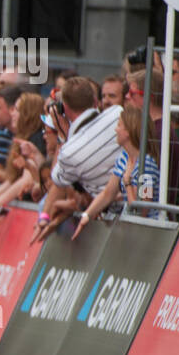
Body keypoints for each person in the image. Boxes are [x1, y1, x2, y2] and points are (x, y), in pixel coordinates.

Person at [32, 77, 122, 243]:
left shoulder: (69, 152)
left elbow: (56, 181)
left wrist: (62, 135)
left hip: (109, 222)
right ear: (96, 101)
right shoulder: (118, 113)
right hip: (117, 214)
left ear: (63, 108)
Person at [74, 104, 161, 238]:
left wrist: (127, 183)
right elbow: (108, 193)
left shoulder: (147, 165)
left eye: (119, 125)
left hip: (147, 234)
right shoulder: (123, 157)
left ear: (128, 131)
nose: (115, 130)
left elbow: (142, 210)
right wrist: (87, 214)